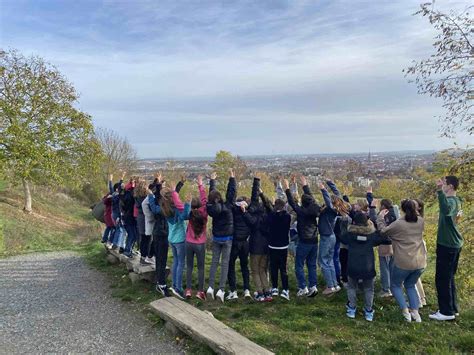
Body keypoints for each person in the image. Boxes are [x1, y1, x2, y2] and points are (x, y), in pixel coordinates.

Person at [377, 199, 426, 322]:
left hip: (404, 261)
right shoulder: (420, 221)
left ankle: (405, 312)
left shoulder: (399, 224)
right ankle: (415, 313)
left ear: (403, 209)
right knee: (410, 285)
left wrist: (380, 218)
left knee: (395, 285)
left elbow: (383, 232)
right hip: (420, 261)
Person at [340, 212, 391, 321]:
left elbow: (341, 237)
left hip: (352, 266)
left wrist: (344, 223)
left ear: (354, 222)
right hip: (368, 267)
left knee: (351, 287)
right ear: (367, 222)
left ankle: (352, 309)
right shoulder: (372, 236)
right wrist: (378, 226)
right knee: (369, 289)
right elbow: (386, 239)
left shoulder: (350, 235)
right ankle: (368, 312)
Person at [429, 176, 463, 321]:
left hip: (447, 245)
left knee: (442, 278)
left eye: (444, 184)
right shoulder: (457, 201)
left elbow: (446, 209)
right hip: (454, 244)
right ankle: (452, 308)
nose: (442, 186)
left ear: (449, 186)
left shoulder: (450, 201)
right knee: (449, 278)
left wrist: (439, 192)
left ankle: (446, 312)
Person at [285, 175, 320, 298]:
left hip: (304, 241)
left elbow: (292, 202)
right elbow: (313, 200)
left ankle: (303, 287)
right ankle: (313, 286)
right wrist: (305, 185)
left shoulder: (301, 211)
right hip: (315, 240)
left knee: (299, 264)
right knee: (311, 265)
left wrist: (287, 189)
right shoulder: (315, 209)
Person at [157, 180, 191, 299]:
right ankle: (178, 288)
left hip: (171, 238)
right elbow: (185, 216)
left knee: (176, 262)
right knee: (181, 263)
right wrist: (187, 203)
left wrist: (175, 189)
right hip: (180, 239)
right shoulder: (176, 209)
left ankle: (173, 284)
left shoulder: (165, 207)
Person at [206, 169, 236, 303]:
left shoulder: (210, 207)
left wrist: (212, 181)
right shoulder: (227, 206)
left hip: (217, 238)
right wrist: (232, 178)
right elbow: (231, 194)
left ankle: (210, 288)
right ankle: (221, 290)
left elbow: (211, 195)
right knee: (225, 264)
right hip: (227, 239)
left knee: (214, 262)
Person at [318, 180, 349, 295]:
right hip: (332, 237)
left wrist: (323, 189)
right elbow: (338, 196)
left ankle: (331, 286)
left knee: (323, 261)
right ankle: (334, 284)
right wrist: (331, 184)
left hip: (326, 237)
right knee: (329, 260)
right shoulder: (337, 209)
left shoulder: (331, 210)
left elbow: (329, 201)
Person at [243, 175, 271, 302]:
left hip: (255, 247)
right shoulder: (268, 217)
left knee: (255, 271)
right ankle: (267, 292)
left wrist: (244, 211)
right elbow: (268, 205)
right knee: (263, 270)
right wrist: (262, 194)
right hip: (266, 247)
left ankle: (260, 293)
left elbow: (249, 216)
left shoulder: (253, 220)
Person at [182, 175, 208, 301]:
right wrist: (200, 184)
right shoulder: (204, 214)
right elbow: (204, 200)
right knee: (201, 267)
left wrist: (187, 201)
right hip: (200, 244)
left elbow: (185, 211)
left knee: (189, 266)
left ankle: (188, 290)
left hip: (188, 242)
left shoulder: (189, 214)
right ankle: (200, 291)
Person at [264, 187, 291, 301]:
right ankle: (285, 289)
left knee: (273, 267)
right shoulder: (287, 217)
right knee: (283, 269)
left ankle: (274, 287)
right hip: (283, 246)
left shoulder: (271, 217)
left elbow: (269, 210)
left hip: (272, 245)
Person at [148, 177, 171, 297]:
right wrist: (158, 184)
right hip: (162, 233)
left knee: (161, 260)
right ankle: (160, 282)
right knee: (161, 259)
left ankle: (161, 283)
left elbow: (154, 207)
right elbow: (158, 198)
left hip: (161, 233)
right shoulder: (167, 204)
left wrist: (151, 195)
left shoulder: (163, 209)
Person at [227, 189, 251, 300]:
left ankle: (233, 290)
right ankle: (247, 289)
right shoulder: (248, 212)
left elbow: (230, 201)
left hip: (235, 242)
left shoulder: (234, 211)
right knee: (244, 266)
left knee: (230, 265)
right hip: (245, 242)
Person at [134, 179, 152, 265]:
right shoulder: (145, 198)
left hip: (140, 218)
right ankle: (145, 258)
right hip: (145, 219)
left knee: (143, 239)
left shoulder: (137, 196)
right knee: (147, 239)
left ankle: (142, 257)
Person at [102, 174, 115, 248]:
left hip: (107, 215)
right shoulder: (111, 198)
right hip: (110, 215)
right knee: (113, 228)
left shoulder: (106, 198)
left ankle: (104, 239)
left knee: (108, 227)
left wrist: (110, 180)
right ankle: (110, 241)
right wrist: (110, 180)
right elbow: (111, 188)